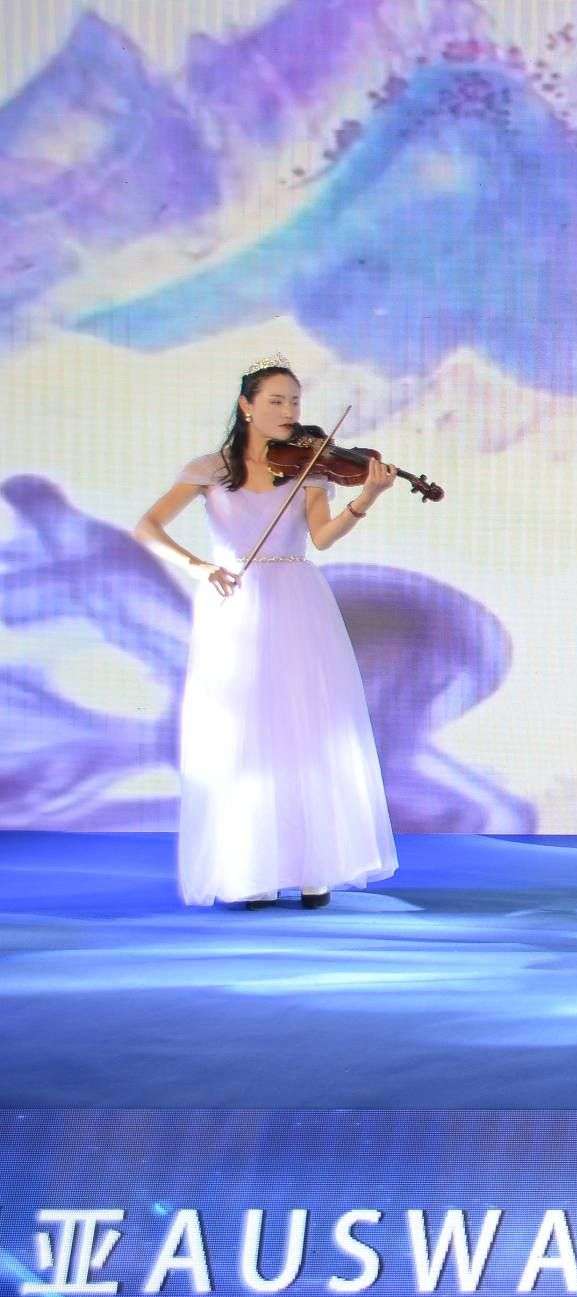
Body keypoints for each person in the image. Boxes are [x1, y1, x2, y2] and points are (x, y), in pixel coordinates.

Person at [132, 355, 398, 909]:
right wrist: (199, 566)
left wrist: (366, 497)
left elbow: (321, 538)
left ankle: (313, 867)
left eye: (295, 401)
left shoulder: (311, 468)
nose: (288, 411)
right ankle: (251, 867)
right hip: (233, 602)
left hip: (298, 600)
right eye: (276, 401)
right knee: (244, 732)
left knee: (306, 725)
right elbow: (147, 527)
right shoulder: (209, 469)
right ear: (246, 406)